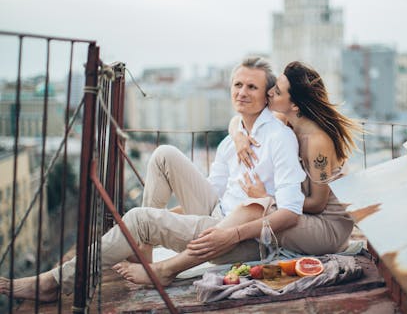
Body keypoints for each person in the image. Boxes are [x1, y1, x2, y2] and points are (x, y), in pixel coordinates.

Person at [0, 57, 306, 301]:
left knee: (138, 219)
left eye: (252, 87)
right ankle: (144, 253)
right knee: (163, 154)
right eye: (237, 84)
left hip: (244, 238)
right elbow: (213, 191)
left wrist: (232, 234)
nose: (242, 92)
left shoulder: (278, 138)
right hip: (218, 214)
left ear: (267, 96)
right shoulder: (233, 138)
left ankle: (54, 282)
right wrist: (169, 217)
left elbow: (291, 212)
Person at [229, 61, 362, 256]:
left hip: (327, 229)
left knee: (255, 212)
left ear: (294, 104)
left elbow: (318, 204)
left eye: (278, 91)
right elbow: (237, 120)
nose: (270, 92)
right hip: (303, 216)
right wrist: (238, 137)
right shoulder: (287, 121)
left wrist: (268, 198)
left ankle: (210, 244)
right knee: (251, 212)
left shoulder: (317, 141)